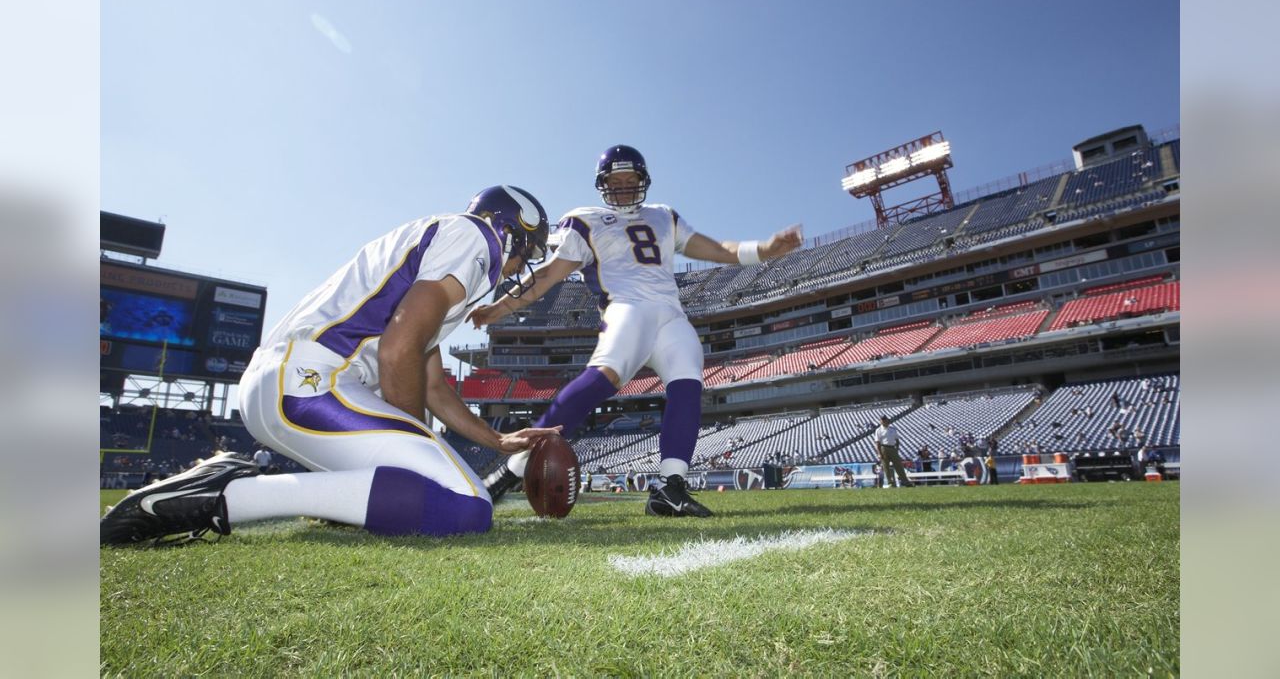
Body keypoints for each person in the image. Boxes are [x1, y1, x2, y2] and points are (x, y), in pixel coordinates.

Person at [101, 186, 562, 545]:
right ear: (504, 229)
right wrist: (416, 448)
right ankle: (217, 495)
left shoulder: (438, 255)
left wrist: (496, 439)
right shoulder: (470, 236)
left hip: (297, 384)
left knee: (433, 491)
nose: (518, 268)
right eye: (525, 250)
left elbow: (433, 384)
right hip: (310, 383)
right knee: (465, 506)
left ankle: (335, 501)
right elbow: (397, 351)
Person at [470, 145, 802, 517]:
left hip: (671, 316)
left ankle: (669, 487)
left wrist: (765, 249)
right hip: (626, 309)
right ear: (603, 184)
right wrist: (501, 307)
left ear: (643, 181)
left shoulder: (664, 216)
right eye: (616, 180)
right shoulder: (585, 219)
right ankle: (510, 470)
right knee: (602, 379)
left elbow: (716, 249)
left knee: (688, 382)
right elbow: (549, 274)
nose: (624, 187)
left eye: (631, 180)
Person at [874, 415, 914, 488]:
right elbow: (877, 443)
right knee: (886, 467)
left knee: (899, 465)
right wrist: (879, 453)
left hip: (892, 448)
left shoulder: (893, 429)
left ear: (887, 420)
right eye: (881, 420)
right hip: (883, 448)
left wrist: (896, 449)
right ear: (880, 421)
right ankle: (891, 483)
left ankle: (905, 481)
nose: (883, 421)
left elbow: (897, 440)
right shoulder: (878, 430)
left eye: (884, 419)